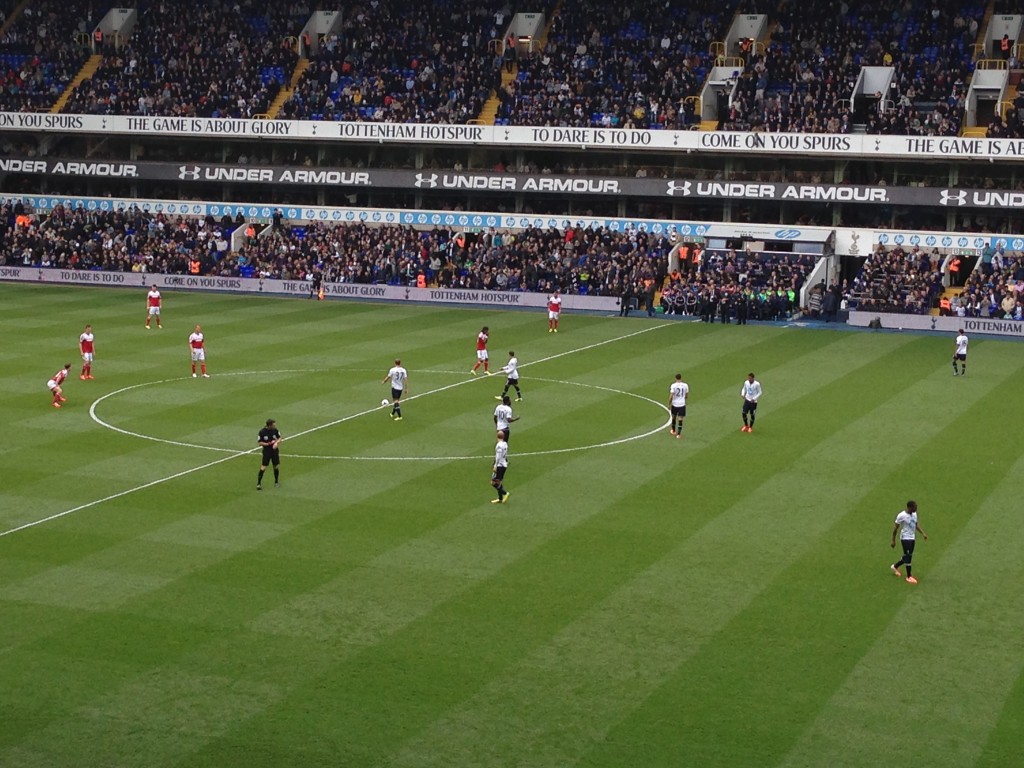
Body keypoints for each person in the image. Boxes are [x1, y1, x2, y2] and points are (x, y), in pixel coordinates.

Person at [890, 500, 928, 584]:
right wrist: (893, 540)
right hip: (905, 538)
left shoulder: (914, 514)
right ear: (910, 507)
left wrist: (923, 533)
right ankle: (909, 576)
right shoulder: (901, 515)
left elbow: (915, 524)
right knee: (908, 556)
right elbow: (895, 528)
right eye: (915, 507)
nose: (916, 508)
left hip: (912, 538)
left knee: (908, 556)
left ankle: (895, 566)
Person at [257, 418, 281, 490]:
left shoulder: (275, 430)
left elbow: (280, 438)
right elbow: (259, 443)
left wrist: (276, 443)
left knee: (276, 466)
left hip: (274, 451)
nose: (275, 426)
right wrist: (267, 444)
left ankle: (276, 482)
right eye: (273, 425)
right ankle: (258, 484)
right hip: (267, 451)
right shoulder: (262, 432)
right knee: (263, 467)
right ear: (269, 425)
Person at [491, 429, 510, 503]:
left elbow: (498, 456)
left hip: (500, 466)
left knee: (493, 482)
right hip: (504, 465)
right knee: (499, 482)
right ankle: (500, 498)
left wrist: (495, 465)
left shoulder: (499, 445)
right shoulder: (505, 444)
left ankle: (505, 493)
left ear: (497, 436)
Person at [668, 373, 689, 438]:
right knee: (680, 419)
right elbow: (686, 395)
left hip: (674, 404)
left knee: (673, 417)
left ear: (675, 378)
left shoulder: (673, 385)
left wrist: (669, 404)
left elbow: (671, 395)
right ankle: (678, 435)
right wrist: (684, 398)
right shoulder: (685, 385)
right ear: (681, 378)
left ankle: (673, 431)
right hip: (682, 404)